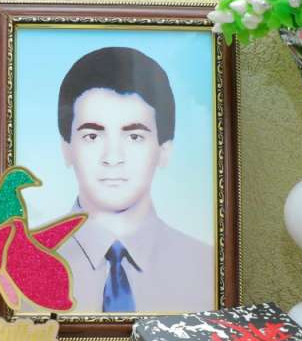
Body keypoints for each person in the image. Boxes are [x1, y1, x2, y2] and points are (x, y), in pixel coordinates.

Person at [54, 46, 214, 313]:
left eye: (134, 137)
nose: (113, 157)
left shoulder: (209, 269)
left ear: (164, 151)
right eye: (92, 136)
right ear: (66, 149)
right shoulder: (19, 267)